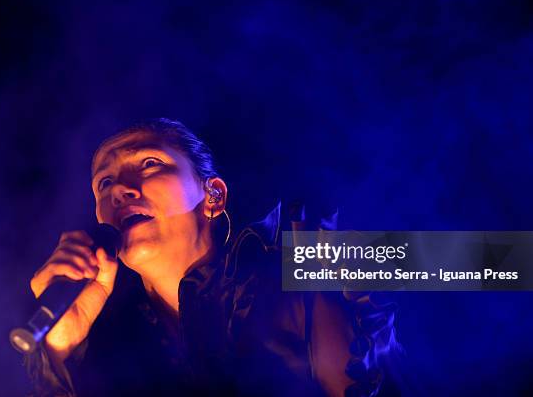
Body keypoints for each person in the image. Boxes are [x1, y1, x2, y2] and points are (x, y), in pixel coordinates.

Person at [23, 118, 399, 396]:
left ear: (213, 196)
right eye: (104, 183)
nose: (120, 189)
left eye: (150, 163)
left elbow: (451, 261)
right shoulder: (119, 346)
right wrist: (59, 349)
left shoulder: (300, 262)